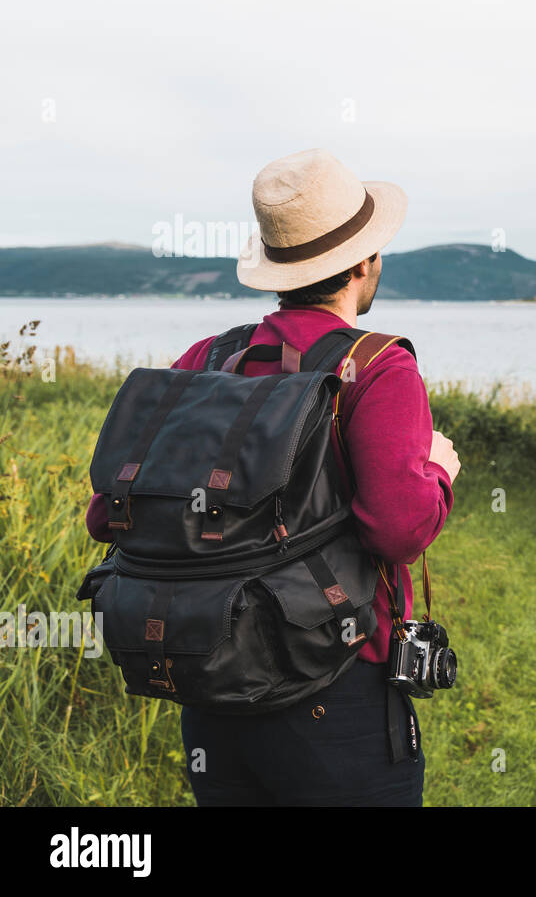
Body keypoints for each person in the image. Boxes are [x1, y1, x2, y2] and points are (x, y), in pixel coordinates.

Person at [83, 148, 460, 805]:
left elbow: (106, 513)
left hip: (211, 677)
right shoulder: (378, 366)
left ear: (278, 266)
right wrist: (439, 471)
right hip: (338, 686)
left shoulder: (206, 358)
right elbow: (397, 528)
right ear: (365, 262)